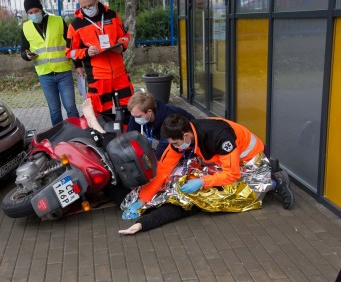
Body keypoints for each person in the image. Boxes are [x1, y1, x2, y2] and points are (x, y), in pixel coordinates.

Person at [119, 114, 294, 234]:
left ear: (186, 136)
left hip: (250, 157)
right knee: (191, 177)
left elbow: (231, 174)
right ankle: (269, 173)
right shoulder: (183, 137)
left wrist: (202, 182)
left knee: (240, 195)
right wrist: (142, 200)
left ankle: (275, 180)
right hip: (222, 160)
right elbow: (163, 169)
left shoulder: (219, 137)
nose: (174, 146)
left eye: (176, 142)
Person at [65, 0, 134, 116]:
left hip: (120, 74)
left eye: (90, 5)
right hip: (98, 78)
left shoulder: (112, 15)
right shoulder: (75, 25)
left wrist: (122, 45)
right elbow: (69, 52)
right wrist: (86, 52)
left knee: (128, 110)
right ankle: (106, 134)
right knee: (102, 116)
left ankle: (129, 133)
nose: (88, 9)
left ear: (97, 1)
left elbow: (125, 36)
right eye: (84, 7)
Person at [21, 0, 80, 126]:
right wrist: (27, 56)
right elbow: (23, 50)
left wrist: (78, 65)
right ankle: (58, 138)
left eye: (36, 11)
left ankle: (77, 134)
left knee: (70, 107)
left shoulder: (58, 20)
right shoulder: (25, 27)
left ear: (41, 10)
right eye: (30, 12)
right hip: (45, 74)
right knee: (54, 111)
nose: (34, 14)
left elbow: (71, 45)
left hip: (63, 71)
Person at [127, 91, 195, 160]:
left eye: (138, 116)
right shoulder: (137, 114)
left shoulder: (169, 117)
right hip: (171, 139)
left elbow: (163, 147)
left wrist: (154, 161)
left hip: (189, 139)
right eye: (133, 116)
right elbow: (130, 136)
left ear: (149, 112)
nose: (135, 119)